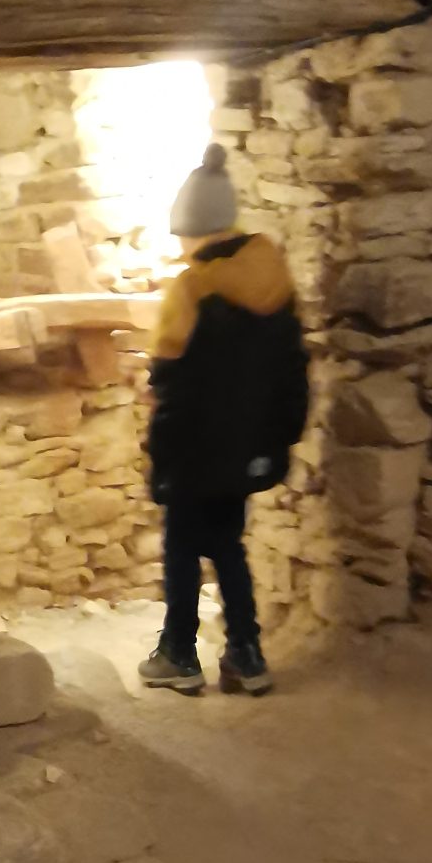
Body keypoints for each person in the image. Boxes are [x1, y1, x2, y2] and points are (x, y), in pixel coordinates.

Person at [139, 143, 309, 696]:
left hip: (194, 450)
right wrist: (279, 439)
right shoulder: (274, 277)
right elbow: (292, 370)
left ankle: (178, 654)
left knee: (182, 548)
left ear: (194, 231)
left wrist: (159, 456)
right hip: (248, 447)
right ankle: (246, 654)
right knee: (229, 545)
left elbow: (170, 384)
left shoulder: (192, 289)